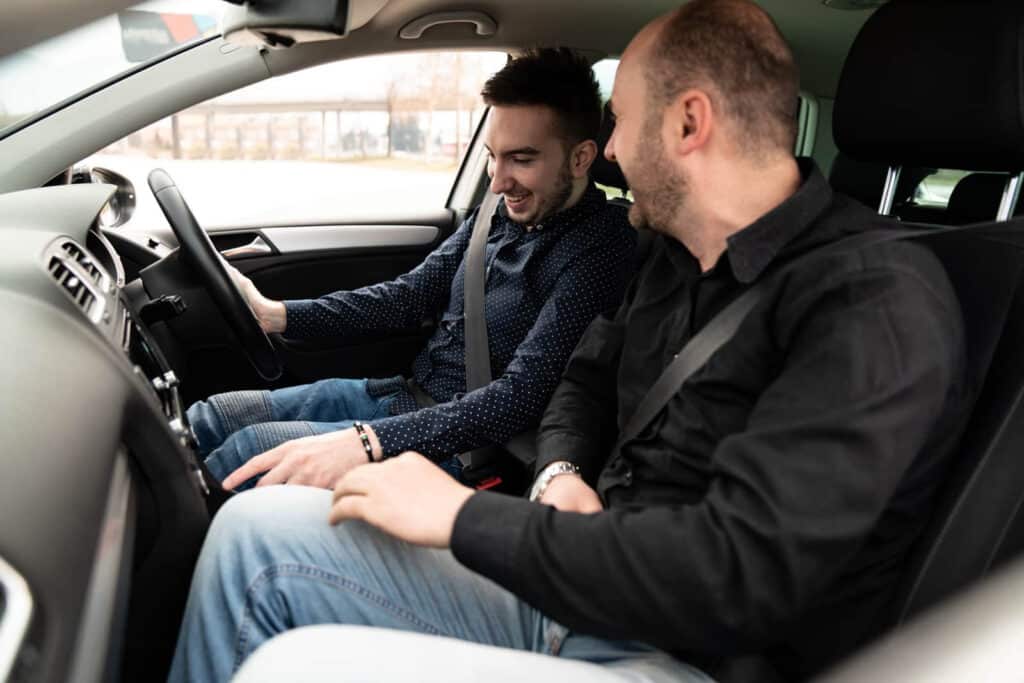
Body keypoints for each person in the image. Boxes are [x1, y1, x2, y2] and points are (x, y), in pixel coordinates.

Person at [169, 0, 968, 681]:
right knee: (251, 533)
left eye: (620, 122)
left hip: (681, 654)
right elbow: (580, 384)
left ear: (689, 122)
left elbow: (735, 573)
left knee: (278, 620)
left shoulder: (874, 300)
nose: (612, 150)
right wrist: (558, 476)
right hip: (584, 579)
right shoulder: (679, 254)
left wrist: (459, 517)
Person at [188, 47, 636, 491]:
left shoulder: (601, 248)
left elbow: (519, 398)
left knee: (246, 456)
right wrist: (277, 314)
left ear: (580, 159)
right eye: (491, 156)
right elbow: (408, 296)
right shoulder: (498, 211)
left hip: (464, 449)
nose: (498, 182)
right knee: (211, 418)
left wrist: (371, 441)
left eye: (521, 159)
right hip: (398, 398)